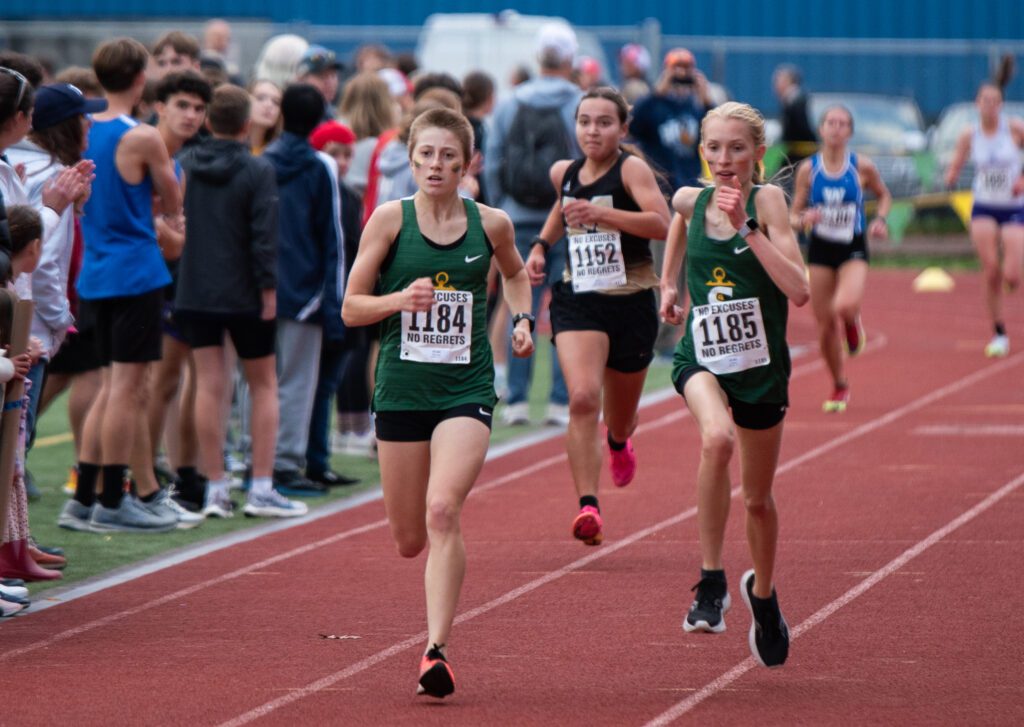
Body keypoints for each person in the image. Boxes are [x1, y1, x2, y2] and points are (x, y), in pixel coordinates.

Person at [342, 107, 534, 698]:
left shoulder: (493, 224)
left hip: (466, 389)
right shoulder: (388, 221)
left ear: (468, 163)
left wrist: (522, 319)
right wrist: (399, 300)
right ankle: (433, 619)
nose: (436, 165)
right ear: (410, 155)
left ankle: (435, 651)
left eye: (449, 156)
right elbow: (351, 307)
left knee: (443, 509)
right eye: (426, 153)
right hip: (401, 390)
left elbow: (518, 274)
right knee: (408, 538)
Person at [660, 102, 809, 668]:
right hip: (703, 357)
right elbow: (678, 216)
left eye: (737, 149)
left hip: (760, 370)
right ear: (702, 150)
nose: (724, 160)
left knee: (758, 499)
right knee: (716, 439)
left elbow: (798, 290)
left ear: (758, 155)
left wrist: (747, 224)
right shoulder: (690, 199)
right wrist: (668, 285)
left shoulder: (768, 202)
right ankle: (711, 582)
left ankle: (764, 597)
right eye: (714, 148)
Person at [525, 87, 670, 546]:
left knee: (621, 417)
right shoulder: (564, 173)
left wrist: (606, 218)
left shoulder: (632, 170)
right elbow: (562, 209)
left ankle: (619, 442)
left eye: (604, 122)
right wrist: (541, 246)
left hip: (631, 300)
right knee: (584, 397)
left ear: (622, 128)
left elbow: (661, 223)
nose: (593, 130)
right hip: (579, 296)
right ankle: (589, 505)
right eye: (585, 121)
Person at [66, 38, 184, 533]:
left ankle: (86, 496)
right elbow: (172, 196)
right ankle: (113, 500)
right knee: (126, 390)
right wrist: (164, 215)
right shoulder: (142, 137)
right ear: (140, 80)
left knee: (111, 386)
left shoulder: (82, 130)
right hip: (135, 271)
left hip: (94, 270)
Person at [174, 84, 305, 518]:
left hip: (195, 290)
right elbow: (263, 237)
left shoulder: (186, 163)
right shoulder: (257, 170)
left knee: (210, 385)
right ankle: (261, 486)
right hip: (245, 292)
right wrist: (269, 291)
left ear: (209, 121)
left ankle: (214, 488)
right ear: (248, 125)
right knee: (263, 383)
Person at [485, 22, 581, 426]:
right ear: (571, 59)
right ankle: (561, 402)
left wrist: (498, 211)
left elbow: (491, 162)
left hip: (518, 218)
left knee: (518, 307)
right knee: (566, 311)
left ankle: (519, 400)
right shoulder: (579, 102)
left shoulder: (510, 103)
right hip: (568, 220)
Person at [263, 84, 344, 497]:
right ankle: (286, 465)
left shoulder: (262, 162)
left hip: (260, 288)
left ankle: (254, 460)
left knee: (258, 383)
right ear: (318, 122)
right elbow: (333, 236)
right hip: (304, 292)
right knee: (295, 382)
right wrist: (334, 301)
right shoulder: (320, 166)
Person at [791, 105, 891, 412]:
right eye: (830, 123)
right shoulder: (809, 170)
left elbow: (884, 196)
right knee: (823, 326)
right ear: (821, 130)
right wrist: (805, 217)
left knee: (844, 305)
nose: (836, 128)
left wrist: (880, 220)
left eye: (842, 123)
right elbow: (793, 215)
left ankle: (852, 321)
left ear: (850, 131)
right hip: (821, 248)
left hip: (853, 246)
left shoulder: (861, 167)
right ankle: (839, 384)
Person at [944, 82, 1024, 357]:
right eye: (985, 100)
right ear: (977, 104)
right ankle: (999, 332)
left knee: (1012, 276)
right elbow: (957, 161)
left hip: (1013, 207)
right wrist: (952, 175)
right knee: (991, 271)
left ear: (1001, 104)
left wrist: (1022, 180)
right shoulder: (970, 134)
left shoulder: (1014, 129)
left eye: (995, 101)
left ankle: (1009, 282)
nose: (990, 105)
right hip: (983, 207)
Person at [630, 48, 715, 192]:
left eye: (686, 69)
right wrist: (656, 94)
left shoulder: (695, 106)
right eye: (676, 68)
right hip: (660, 183)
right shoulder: (654, 104)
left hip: (690, 182)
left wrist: (707, 102)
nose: (681, 74)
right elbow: (634, 127)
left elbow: (715, 132)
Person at [772, 64, 817, 174]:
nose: (775, 86)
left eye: (778, 81)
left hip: (800, 157)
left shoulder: (796, 100)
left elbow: (803, 129)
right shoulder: (791, 100)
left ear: (788, 81)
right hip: (795, 154)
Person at [297, 45, 343, 120]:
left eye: (333, 75)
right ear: (301, 79)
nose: (330, 82)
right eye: (321, 76)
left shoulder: (337, 116)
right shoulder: (290, 116)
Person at [247, 79, 282, 155]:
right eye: (261, 98)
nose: (269, 105)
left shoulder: (281, 154)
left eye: (276, 102)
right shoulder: (230, 146)